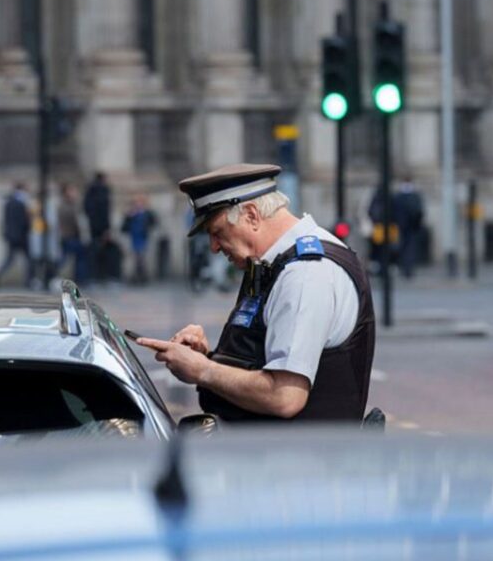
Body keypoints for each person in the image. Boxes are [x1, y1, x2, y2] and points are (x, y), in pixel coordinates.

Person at [135, 163, 375, 422]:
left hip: (302, 458)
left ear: (251, 216)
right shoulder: (274, 264)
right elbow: (260, 359)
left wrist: (203, 370)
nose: (214, 247)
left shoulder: (305, 274)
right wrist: (208, 357)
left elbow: (284, 397)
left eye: (218, 232)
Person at [0, 183, 34, 287]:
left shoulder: (8, 202)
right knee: (29, 259)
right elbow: (23, 221)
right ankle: (29, 281)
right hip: (21, 236)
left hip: (11, 236)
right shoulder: (21, 203)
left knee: (10, 259)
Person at [392, 177, 425, 278]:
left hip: (403, 226)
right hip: (410, 226)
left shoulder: (399, 196)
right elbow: (419, 211)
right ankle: (407, 269)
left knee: (404, 247)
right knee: (408, 248)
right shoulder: (414, 196)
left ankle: (405, 268)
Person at [56, 183, 89, 283]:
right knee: (68, 259)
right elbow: (76, 221)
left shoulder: (70, 204)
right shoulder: (67, 206)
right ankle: (79, 279)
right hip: (70, 236)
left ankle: (78, 279)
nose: (75, 193)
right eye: (72, 191)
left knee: (68, 258)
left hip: (70, 236)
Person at [121, 194, 157, 285]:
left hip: (143, 238)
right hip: (133, 238)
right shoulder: (131, 214)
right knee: (135, 259)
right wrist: (129, 216)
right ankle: (135, 278)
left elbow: (153, 222)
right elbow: (124, 227)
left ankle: (142, 278)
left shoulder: (147, 213)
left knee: (141, 258)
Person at [84, 171, 112, 281]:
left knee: (94, 251)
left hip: (93, 226)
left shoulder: (90, 191)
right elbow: (105, 211)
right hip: (101, 227)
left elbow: (86, 208)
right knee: (101, 252)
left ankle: (93, 276)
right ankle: (101, 276)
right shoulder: (103, 191)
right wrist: (107, 228)